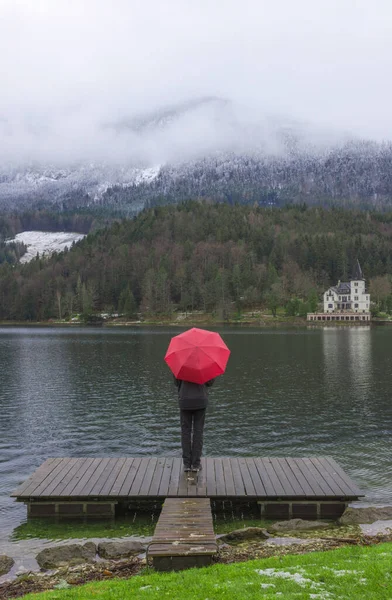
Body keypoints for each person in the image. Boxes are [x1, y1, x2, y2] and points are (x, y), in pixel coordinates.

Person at [174, 377, 214, 472]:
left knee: (185, 432)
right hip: (200, 400)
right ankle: (196, 464)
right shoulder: (205, 363)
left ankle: (187, 464)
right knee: (198, 432)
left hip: (185, 400)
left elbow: (176, 382)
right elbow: (210, 382)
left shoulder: (181, 363)